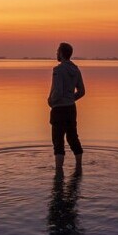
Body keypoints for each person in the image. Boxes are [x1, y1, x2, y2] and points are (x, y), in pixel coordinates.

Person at [48, 42, 85, 172]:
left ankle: (58, 172)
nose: (56, 53)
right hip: (71, 109)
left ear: (62, 54)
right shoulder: (76, 70)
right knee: (73, 138)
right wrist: (70, 99)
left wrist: (51, 101)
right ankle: (79, 167)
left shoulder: (58, 70)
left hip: (59, 110)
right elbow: (81, 91)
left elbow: (57, 91)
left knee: (58, 142)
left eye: (57, 51)